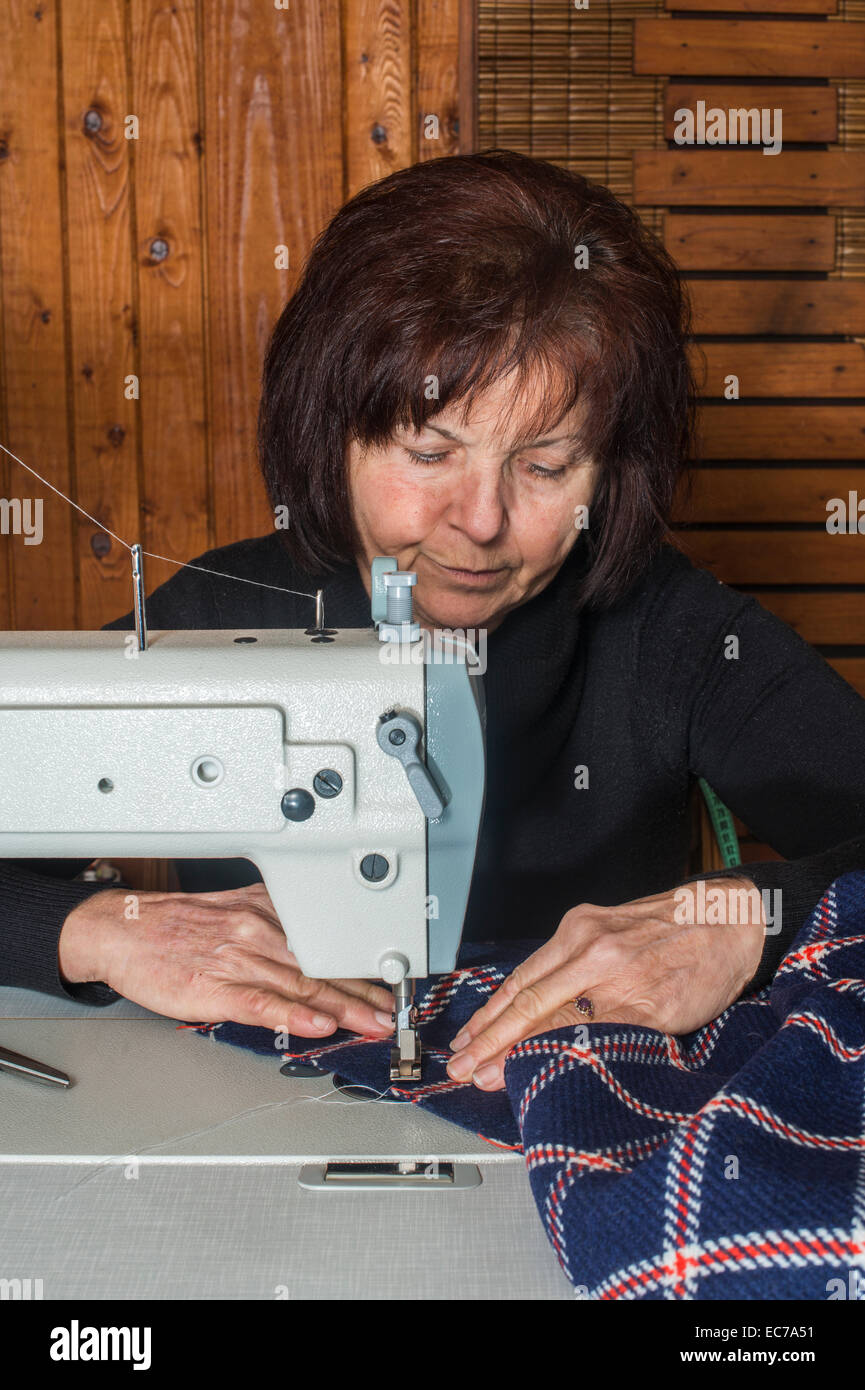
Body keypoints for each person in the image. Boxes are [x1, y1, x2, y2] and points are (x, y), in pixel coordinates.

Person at [2, 150, 864, 1094]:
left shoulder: (676, 634)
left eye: (543, 467)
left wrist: (749, 920)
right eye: (426, 450)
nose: (480, 520)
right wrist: (89, 930)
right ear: (331, 429)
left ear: (611, 472)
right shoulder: (215, 617)